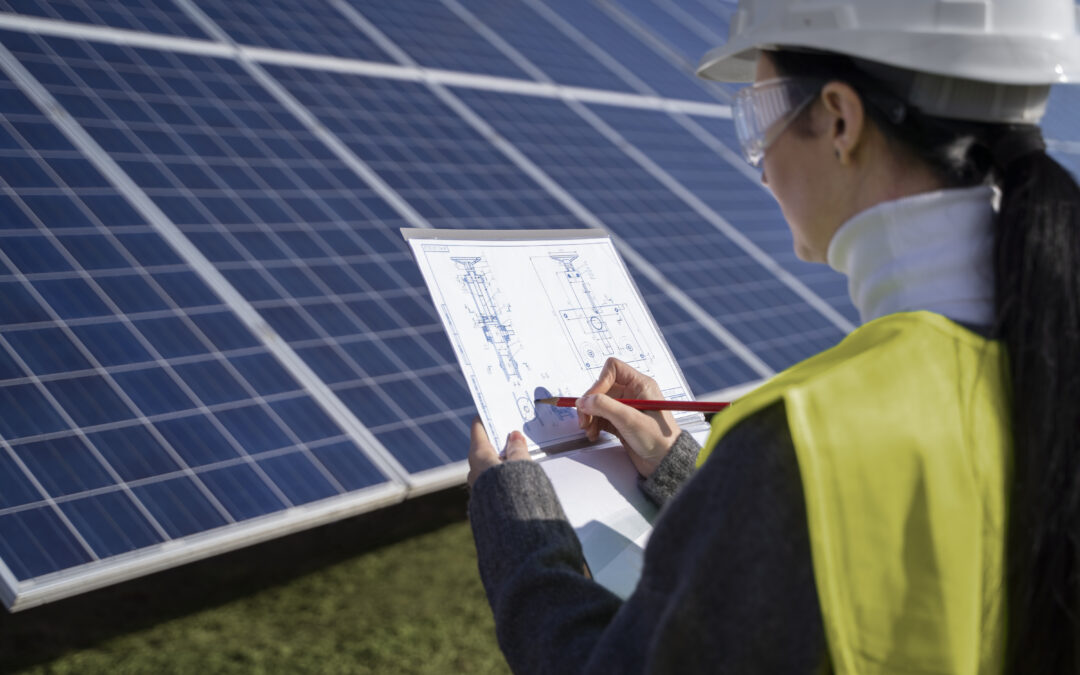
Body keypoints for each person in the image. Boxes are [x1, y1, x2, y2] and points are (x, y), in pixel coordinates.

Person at [465, 0, 1080, 672]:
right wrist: (696, 480)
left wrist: (517, 525)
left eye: (759, 118)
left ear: (840, 120)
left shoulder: (804, 435)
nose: (761, 167)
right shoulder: (1047, 359)